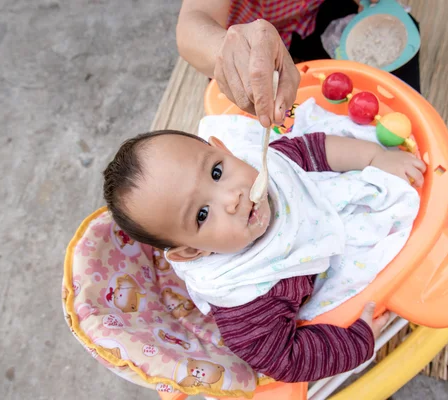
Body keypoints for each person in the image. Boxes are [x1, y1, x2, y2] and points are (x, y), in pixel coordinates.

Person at [102, 107, 425, 381]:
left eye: (216, 171)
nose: (232, 197)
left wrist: (375, 157)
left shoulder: (262, 166)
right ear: (192, 251)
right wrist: (356, 342)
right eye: (202, 214)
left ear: (223, 149)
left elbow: (311, 150)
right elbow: (280, 359)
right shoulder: (247, 298)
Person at [176, 0, 420, 128]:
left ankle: (401, 129)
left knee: (395, 40)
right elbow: (191, 25)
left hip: (317, 14)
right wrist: (224, 50)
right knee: (255, 122)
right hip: (245, 38)